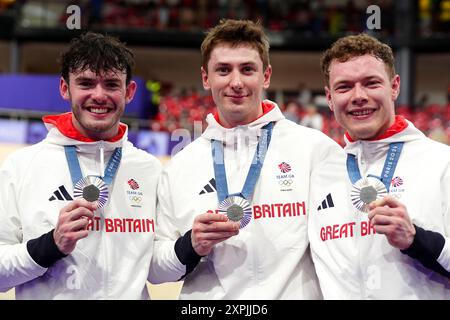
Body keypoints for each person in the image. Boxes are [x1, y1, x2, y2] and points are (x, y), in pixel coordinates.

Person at [148, 19, 345, 299]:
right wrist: (190, 245)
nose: (236, 82)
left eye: (248, 69)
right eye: (224, 70)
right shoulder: (180, 166)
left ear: (266, 76)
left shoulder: (316, 151)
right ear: (206, 78)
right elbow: (155, 270)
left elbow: (344, 246)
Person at [0, 32, 161, 299]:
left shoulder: (150, 169)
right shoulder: (20, 167)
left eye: (111, 84)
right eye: (86, 83)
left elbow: (159, 266)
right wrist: (50, 245)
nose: (99, 96)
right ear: (65, 88)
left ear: (129, 91)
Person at [308, 33, 450, 299]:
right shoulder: (321, 173)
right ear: (329, 97)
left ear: (394, 86)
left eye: (371, 83)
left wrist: (415, 239)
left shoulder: (441, 163)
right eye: (344, 87)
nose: (358, 96)